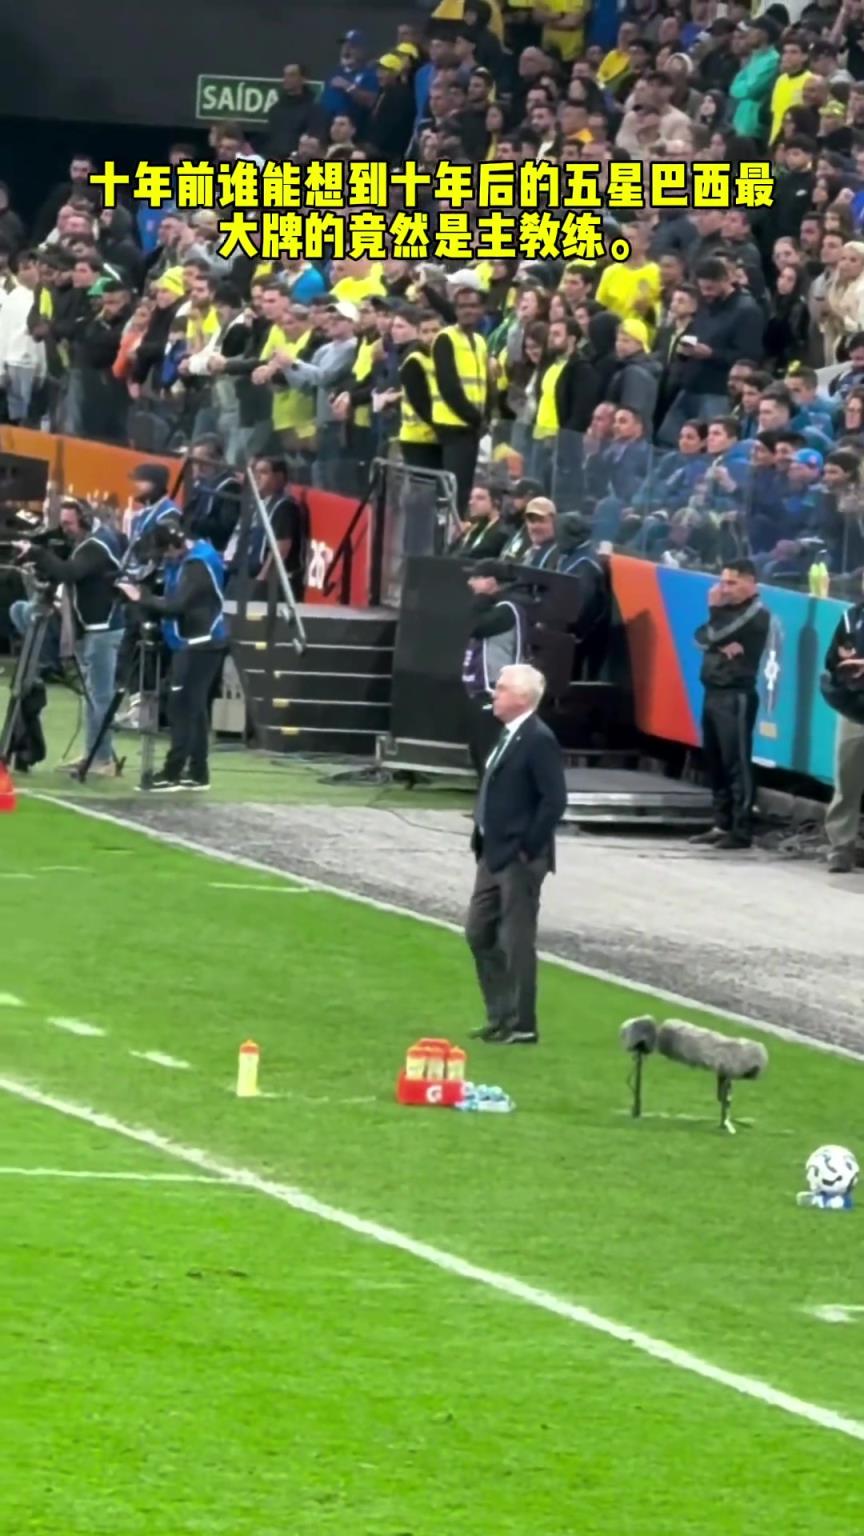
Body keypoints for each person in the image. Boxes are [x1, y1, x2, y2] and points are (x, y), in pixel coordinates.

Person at [465, 663, 567, 1046]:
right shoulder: (507, 735)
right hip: (492, 852)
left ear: (523, 697)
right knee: (479, 932)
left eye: (502, 688)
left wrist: (527, 847)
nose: (495, 693)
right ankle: (500, 1015)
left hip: (518, 857)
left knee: (516, 940)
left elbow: (554, 799)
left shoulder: (538, 739)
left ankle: (522, 1023)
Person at [15, 498, 125, 777]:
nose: (64, 530)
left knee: (99, 698)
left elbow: (69, 572)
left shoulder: (97, 545)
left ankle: (102, 759)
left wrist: (38, 553)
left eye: (69, 524)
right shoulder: (88, 542)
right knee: (93, 697)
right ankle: (94, 754)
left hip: (103, 630)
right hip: (94, 629)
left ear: (85, 520)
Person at [117, 519, 228, 792]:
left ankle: (172, 773)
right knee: (194, 708)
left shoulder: (198, 565)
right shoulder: (188, 558)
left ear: (175, 545)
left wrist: (140, 597)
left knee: (180, 707)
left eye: (165, 552)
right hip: (197, 642)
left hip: (199, 643)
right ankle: (198, 773)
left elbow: (177, 605)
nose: (164, 558)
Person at [691, 560, 770, 851]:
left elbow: (712, 634)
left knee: (736, 763)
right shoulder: (726, 613)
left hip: (735, 695)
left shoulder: (756, 613)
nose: (724, 589)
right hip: (712, 692)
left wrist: (714, 616)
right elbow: (699, 639)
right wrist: (718, 639)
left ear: (751, 583)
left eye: (732, 583)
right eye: (723, 582)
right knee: (714, 761)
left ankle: (741, 828)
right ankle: (721, 822)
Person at [461, 560, 528, 773]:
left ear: (491, 582)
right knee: (479, 751)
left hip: (499, 691)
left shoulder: (507, 609)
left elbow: (475, 625)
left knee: (489, 755)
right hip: (487, 691)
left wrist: (482, 597)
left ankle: (495, 792)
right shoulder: (497, 607)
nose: (470, 582)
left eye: (476, 578)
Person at [431, 284, 489, 514]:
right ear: (455, 310)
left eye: (473, 306)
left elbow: (485, 384)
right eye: (463, 306)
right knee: (454, 490)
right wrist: (476, 418)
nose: (468, 311)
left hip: (472, 426)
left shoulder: (481, 342)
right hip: (452, 425)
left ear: (481, 309)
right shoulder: (445, 339)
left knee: (466, 489)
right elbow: (449, 387)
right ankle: (448, 530)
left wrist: (483, 417)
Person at [822, 581, 864, 874]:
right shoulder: (852, 617)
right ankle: (841, 846)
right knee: (847, 779)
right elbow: (831, 659)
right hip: (854, 707)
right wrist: (844, 665)